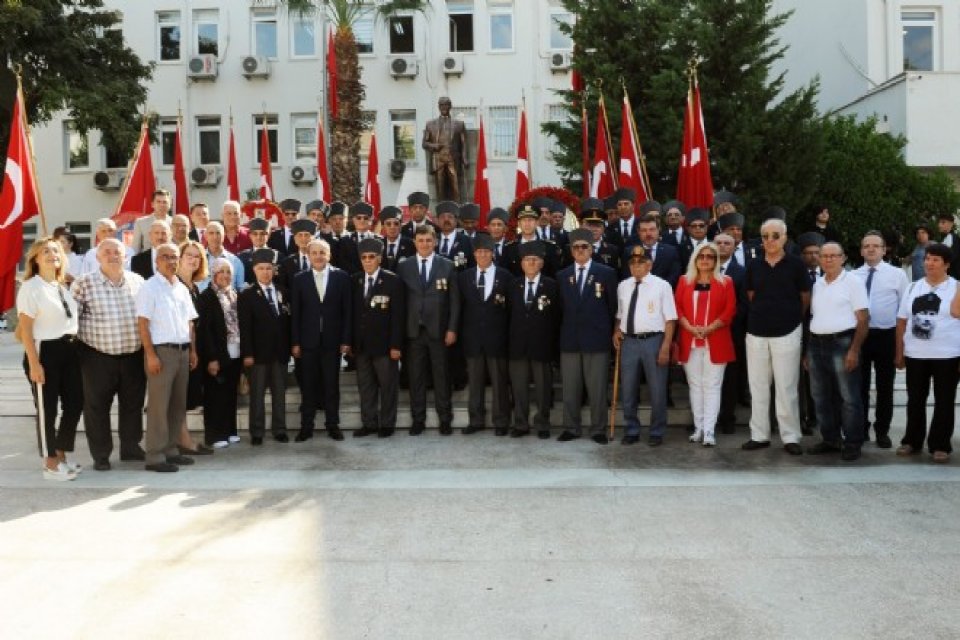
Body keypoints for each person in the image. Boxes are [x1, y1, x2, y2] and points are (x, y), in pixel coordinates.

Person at [72, 238, 146, 471]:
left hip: (133, 354)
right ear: (97, 257)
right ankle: (101, 455)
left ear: (126, 256)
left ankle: (131, 447)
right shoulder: (83, 283)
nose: (113, 256)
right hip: (97, 356)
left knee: (133, 405)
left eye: (117, 252)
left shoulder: (138, 281)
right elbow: (72, 321)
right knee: (97, 407)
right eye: (107, 252)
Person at [742, 218, 811, 455]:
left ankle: (790, 436)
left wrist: (790, 317)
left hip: (788, 331)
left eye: (775, 235)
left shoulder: (796, 265)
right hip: (756, 332)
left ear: (785, 238)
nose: (770, 240)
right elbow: (751, 295)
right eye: (765, 236)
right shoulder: (753, 265)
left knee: (786, 386)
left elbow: (805, 297)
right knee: (758, 386)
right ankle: (759, 435)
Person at [17, 237, 83, 481]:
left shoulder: (61, 286)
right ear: (35, 258)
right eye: (45, 251)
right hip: (45, 350)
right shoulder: (31, 287)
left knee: (75, 403)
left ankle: (61, 453)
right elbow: (25, 330)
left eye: (56, 250)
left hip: (70, 349)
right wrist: (34, 364)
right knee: (48, 409)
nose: (52, 254)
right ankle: (51, 463)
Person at [136, 242, 199, 472]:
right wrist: (150, 355)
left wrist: (193, 350)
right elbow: (143, 323)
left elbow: (190, 322)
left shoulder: (181, 287)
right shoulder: (149, 287)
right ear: (156, 261)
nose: (171, 261)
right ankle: (154, 456)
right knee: (159, 406)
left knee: (177, 405)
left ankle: (171, 450)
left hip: (182, 351)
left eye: (174, 257)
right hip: (161, 352)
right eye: (166, 257)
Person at [896, 243, 960, 463]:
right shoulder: (913, 287)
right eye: (927, 259)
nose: (929, 263)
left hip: (948, 354)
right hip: (916, 354)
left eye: (935, 260)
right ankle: (912, 440)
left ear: (946, 264)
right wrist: (899, 352)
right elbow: (902, 321)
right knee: (915, 399)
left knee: (944, 400)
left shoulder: (956, 287)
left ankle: (940, 444)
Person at [805, 242, 870, 461]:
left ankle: (852, 442)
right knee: (820, 396)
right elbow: (815, 316)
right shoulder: (818, 284)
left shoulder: (853, 282)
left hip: (842, 343)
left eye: (834, 255)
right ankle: (830, 439)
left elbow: (863, 319)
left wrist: (854, 350)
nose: (828, 259)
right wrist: (808, 351)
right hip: (816, 344)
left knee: (849, 397)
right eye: (824, 256)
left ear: (843, 258)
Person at [396, 226, 461, 435]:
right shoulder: (404, 266)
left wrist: (452, 329)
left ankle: (445, 419)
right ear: (415, 242)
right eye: (421, 240)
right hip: (413, 331)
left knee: (442, 376)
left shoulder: (448, 265)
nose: (424, 244)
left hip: (439, 331)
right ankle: (418, 419)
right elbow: (400, 302)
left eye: (428, 240)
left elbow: (455, 302)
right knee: (416, 377)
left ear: (435, 242)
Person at [557, 228, 619, 444]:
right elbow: (560, 310)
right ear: (571, 250)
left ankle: (598, 429)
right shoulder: (562, 275)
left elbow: (612, 307)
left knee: (597, 389)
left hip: (597, 340)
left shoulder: (606, 273)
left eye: (585, 246)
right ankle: (571, 427)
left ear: (592, 249)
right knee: (570, 389)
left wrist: (610, 332)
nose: (580, 250)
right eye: (576, 247)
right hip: (570, 340)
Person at [613, 245, 678, 446]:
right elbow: (620, 314)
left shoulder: (662, 285)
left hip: (653, 340)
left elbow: (670, 319)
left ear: (649, 264)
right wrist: (617, 330)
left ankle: (657, 431)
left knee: (657, 389)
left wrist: (666, 346)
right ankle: (631, 429)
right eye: (632, 263)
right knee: (628, 389)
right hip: (629, 341)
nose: (636, 266)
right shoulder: (623, 286)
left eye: (641, 263)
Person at [673, 242, 736, 447]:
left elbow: (729, 310)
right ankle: (698, 428)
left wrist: (710, 328)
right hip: (689, 339)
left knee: (712, 385)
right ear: (695, 259)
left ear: (716, 260)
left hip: (716, 339)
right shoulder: (684, 280)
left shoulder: (726, 282)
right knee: (695, 385)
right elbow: (677, 307)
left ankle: (709, 430)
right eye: (701, 256)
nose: (705, 260)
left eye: (710, 256)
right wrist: (689, 327)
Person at [290, 238, 352, 442]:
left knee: (331, 385)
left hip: (332, 343)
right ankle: (306, 427)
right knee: (308, 386)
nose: (318, 256)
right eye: (314, 253)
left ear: (329, 255)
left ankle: (333, 425)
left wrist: (345, 340)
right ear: (308, 256)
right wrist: (295, 342)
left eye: (322, 252)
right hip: (307, 343)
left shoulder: (341, 277)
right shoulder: (299, 279)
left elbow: (347, 312)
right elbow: (296, 314)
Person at [853, 231, 909, 448]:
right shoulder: (853, 276)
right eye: (866, 246)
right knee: (860, 386)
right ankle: (861, 428)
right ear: (861, 251)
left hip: (886, 335)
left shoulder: (897, 275)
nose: (871, 249)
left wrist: (901, 344)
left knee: (885, 386)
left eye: (875, 246)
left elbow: (904, 308)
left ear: (884, 250)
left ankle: (882, 430)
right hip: (861, 335)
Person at [458, 234, 512, 435]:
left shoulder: (505, 277)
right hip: (473, 338)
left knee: (499, 382)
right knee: (475, 382)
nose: (482, 255)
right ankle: (476, 420)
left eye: (486, 251)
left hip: (497, 338)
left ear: (493, 253)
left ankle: (501, 421)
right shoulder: (464, 277)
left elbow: (510, 310)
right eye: (479, 251)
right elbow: (460, 308)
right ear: (474, 254)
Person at [350, 238, 405, 438]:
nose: (367, 261)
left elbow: (398, 317)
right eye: (364, 257)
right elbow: (351, 315)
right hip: (362, 346)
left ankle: (387, 423)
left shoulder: (393, 281)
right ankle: (369, 423)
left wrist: (396, 345)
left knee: (388, 386)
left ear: (379, 259)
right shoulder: (355, 280)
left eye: (371, 257)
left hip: (385, 346)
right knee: (366, 387)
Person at [507, 241, 560, 438]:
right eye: (527, 259)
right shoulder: (513, 285)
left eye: (535, 259)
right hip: (517, 346)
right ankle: (520, 424)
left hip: (542, 345)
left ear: (542, 263)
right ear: (521, 263)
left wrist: (553, 346)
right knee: (519, 388)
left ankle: (543, 424)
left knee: (543, 388)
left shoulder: (552, 285)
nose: (531, 262)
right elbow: (507, 316)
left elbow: (557, 317)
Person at [239, 248, 291, 445]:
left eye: (269, 268)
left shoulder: (283, 291)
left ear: (274, 270)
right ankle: (257, 432)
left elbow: (287, 322)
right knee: (257, 395)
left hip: (279, 353)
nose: (265, 272)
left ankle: (280, 429)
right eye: (261, 268)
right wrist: (248, 354)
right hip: (258, 354)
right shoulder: (247, 295)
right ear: (254, 270)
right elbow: (245, 327)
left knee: (279, 394)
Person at [196, 258, 243, 448]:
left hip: (235, 352)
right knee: (215, 396)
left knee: (230, 394)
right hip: (217, 354)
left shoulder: (234, 294)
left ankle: (230, 431)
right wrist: (212, 358)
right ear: (213, 274)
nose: (225, 275)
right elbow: (205, 331)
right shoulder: (206, 297)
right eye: (221, 271)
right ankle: (215, 435)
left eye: (228, 272)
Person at [174, 240, 214, 455]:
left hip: (192, 348)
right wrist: (191, 349)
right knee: (179, 398)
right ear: (179, 258)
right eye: (189, 255)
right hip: (178, 347)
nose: (193, 260)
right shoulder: (175, 284)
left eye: (197, 256)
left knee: (186, 397)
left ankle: (183, 438)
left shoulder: (195, 287)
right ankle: (183, 441)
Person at [714, 232, 749, 434]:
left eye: (727, 243)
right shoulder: (703, 268)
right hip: (706, 332)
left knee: (730, 377)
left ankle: (727, 417)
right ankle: (705, 418)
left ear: (734, 247)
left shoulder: (742, 272)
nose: (722, 246)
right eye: (718, 242)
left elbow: (744, 304)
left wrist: (725, 321)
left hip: (731, 331)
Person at [422, 96, 467, 201]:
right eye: (442, 105)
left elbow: (463, 143)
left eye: (446, 104)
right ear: (438, 107)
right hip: (438, 160)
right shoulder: (430, 124)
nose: (444, 107)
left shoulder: (459, 124)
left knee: (456, 188)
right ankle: (441, 209)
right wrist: (434, 146)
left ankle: (457, 208)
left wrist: (464, 158)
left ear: (450, 106)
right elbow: (424, 143)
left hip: (453, 159)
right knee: (440, 189)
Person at [203, 221, 245, 291]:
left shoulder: (235, 261)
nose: (215, 237)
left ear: (224, 236)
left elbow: (240, 289)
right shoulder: (199, 259)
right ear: (205, 236)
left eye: (218, 233)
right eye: (211, 233)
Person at [131, 189, 172, 253]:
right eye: (158, 202)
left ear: (170, 205)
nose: (162, 205)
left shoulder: (174, 223)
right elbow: (135, 249)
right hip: (147, 258)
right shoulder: (141, 223)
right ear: (152, 204)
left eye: (165, 202)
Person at [379, 206, 415, 272]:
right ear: (383, 226)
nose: (392, 227)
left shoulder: (411, 244)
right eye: (388, 224)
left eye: (396, 223)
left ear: (401, 225)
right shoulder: (378, 244)